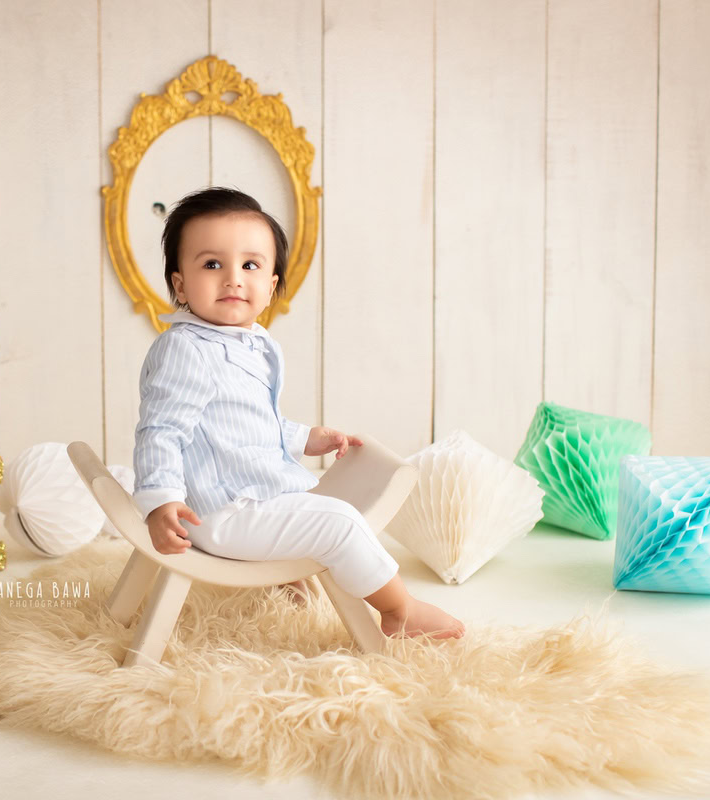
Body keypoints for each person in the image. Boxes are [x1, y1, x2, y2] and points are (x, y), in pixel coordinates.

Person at [132, 186, 464, 640]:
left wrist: (305, 438)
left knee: (312, 499)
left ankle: (289, 577)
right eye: (212, 264)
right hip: (221, 512)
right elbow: (161, 431)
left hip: (251, 494)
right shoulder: (185, 349)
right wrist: (160, 501)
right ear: (179, 284)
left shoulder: (248, 344)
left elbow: (243, 424)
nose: (233, 278)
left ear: (270, 285)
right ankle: (399, 610)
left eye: (250, 265)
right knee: (339, 519)